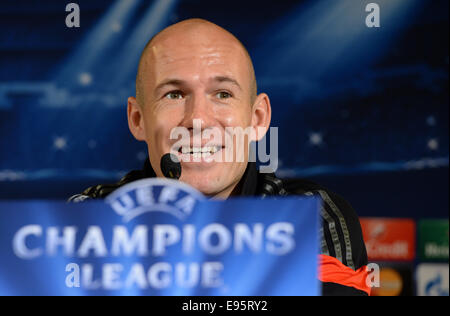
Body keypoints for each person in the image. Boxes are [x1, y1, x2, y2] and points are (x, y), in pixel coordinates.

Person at [69, 18, 370, 296]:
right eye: (174, 94)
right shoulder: (89, 216)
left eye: (223, 94)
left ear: (257, 119)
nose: (198, 119)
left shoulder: (313, 215)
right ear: (138, 119)